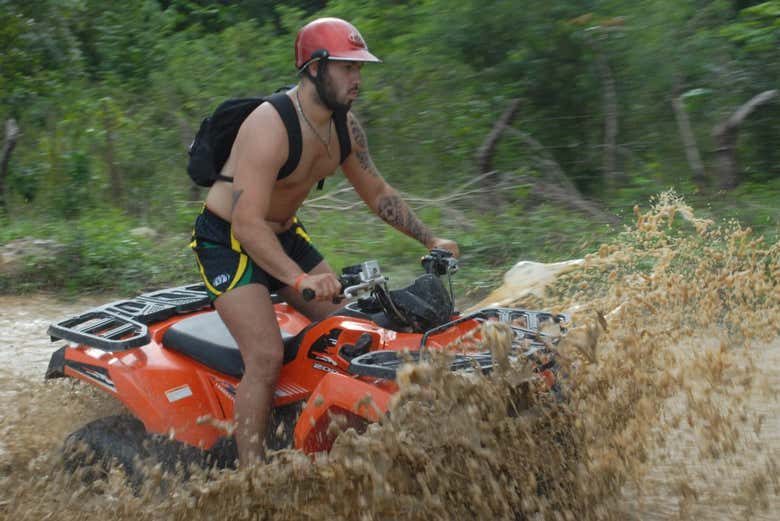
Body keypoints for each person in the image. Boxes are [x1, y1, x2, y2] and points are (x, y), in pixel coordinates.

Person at [190, 17, 459, 465]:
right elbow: (247, 224)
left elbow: (378, 193)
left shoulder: (345, 129)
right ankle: (251, 475)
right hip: (228, 239)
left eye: (360, 68)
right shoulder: (269, 125)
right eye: (347, 68)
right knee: (266, 354)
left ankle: (319, 433)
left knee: (353, 333)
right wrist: (300, 280)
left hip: (283, 234)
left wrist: (432, 239)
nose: (357, 78)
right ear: (314, 69)